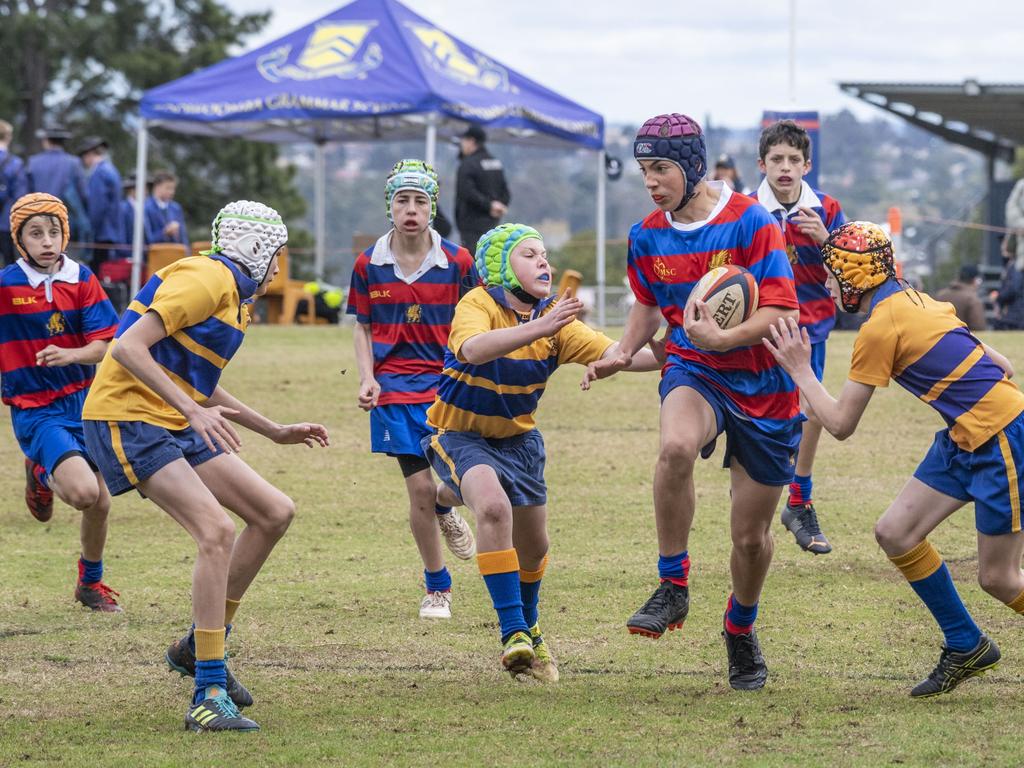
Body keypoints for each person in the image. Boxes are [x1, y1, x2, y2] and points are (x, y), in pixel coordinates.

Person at [81, 200, 329, 732]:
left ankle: (198, 645)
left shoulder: (234, 298)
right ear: (257, 248)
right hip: (128, 417)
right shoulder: (207, 277)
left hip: (172, 416)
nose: (280, 269)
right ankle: (208, 691)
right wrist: (192, 411)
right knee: (216, 531)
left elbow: (196, 375)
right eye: (278, 256)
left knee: (273, 512)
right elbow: (126, 348)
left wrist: (274, 430)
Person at [764, 220, 1024, 698]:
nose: (825, 283)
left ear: (853, 277)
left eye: (830, 274)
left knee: (999, 578)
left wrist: (800, 370)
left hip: (1001, 437)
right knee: (895, 532)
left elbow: (840, 425)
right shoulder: (922, 300)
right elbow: (1003, 366)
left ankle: (967, 640)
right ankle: (966, 643)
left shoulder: (879, 328)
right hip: (965, 434)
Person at [586, 113, 800, 691]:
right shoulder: (646, 234)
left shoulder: (752, 222)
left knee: (750, 538)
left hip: (764, 383)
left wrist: (726, 337)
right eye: (644, 169)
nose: (651, 181)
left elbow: (782, 311)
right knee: (676, 446)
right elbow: (648, 306)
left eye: (661, 168)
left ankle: (740, 626)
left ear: (692, 166)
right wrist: (620, 352)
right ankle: (673, 584)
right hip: (692, 366)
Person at [422, 223, 660, 681]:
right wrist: (541, 325)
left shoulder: (556, 321)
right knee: (493, 508)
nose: (543, 262)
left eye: (544, 254)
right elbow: (472, 349)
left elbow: (619, 353)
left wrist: (677, 348)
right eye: (529, 254)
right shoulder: (479, 303)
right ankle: (512, 632)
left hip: (520, 442)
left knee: (534, 549)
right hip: (460, 434)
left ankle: (530, 625)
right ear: (499, 267)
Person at [347, 159, 479, 620]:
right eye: (402, 200)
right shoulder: (368, 264)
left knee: (463, 484)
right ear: (390, 206)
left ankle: (447, 509)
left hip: (450, 387)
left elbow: (478, 318)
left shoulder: (460, 262)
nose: (410, 209)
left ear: (432, 207)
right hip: (395, 391)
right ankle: (437, 587)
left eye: (419, 201)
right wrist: (367, 377)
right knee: (419, 489)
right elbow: (363, 328)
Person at [1, 193, 122, 611]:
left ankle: (90, 583)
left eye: (54, 232)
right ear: (20, 240)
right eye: (36, 233)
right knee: (87, 493)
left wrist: (72, 355)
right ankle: (40, 470)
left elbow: (106, 345)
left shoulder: (81, 278)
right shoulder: (6, 285)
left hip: (84, 403)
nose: (47, 241)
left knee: (101, 502)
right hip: (36, 408)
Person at [751, 119, 847, 555]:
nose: (785, 167)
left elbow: (851, 275)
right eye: (777, 159)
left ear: (807, 165)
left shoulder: (826, 209)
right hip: (757, 330)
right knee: (764, 419)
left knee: (809, 410)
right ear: (762, 164)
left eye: (794, 159)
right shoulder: (747, 210)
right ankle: (756, 515)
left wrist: (827, 242)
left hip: (811, 329)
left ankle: (799, 501)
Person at [26, 125, 90, 248]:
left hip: (36, 221)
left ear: (46, 140)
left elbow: (26, 193)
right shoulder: (74, 163)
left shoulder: (33, 162)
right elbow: (84, 194)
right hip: (66, 221)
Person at [454, 125, 510, 252]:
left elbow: (466, 192)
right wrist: (499, 207)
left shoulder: (467, 164)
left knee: (473, 265)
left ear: (472, 141)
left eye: (463, 141)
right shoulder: (496, 163)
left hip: (471, 226)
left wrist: (489, 205)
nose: (461, 145)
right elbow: (506, 192)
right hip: (493, 224)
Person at [77, 136, 125, 271]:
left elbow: (97, 207)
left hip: (101, 233)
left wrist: (90, 229)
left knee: (97, 273)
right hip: (111, 231)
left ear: (90, 154)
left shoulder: (99, 173)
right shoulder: (111, 170)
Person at [0, 119, 28, 265]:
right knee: (9, 264)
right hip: (6, 221)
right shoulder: (15, 163)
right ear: (8, 137)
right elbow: (20, 197)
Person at [143, 170, 189, 250]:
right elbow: (147, 239)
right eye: (168, 188)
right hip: (155, 256)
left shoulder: (176, 208)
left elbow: (183, 238)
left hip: (175, 255)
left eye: (173, 189)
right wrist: (165, 232)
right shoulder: (146, 207)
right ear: (157, 187)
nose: (172, 192)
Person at [936, 264, 986, 331]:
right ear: (975, 280)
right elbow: (978, 327)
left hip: (940, 339)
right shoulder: (972, 299)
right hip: (963, 339)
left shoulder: (941, 295)